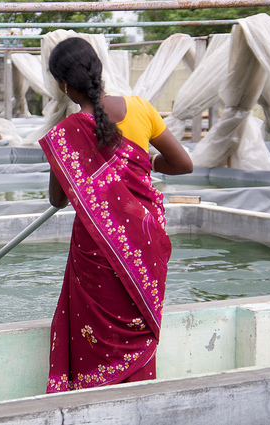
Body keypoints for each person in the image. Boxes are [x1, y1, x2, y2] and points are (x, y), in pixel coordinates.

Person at [40, 37, 193, 393]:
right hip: (144, 242)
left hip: (97, 250)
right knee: (137, 324)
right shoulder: (141, 107)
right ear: (99, 69)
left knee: (95, 334)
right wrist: (149, 162)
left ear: (64, 84)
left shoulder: (67, 133)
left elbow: (58, 200)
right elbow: (183, 164)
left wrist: (66, 163)